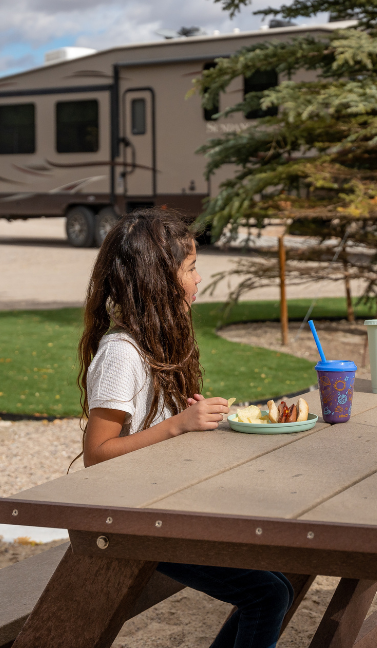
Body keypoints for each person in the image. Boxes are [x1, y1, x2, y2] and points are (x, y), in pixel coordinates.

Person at [79, 208, 292, 648]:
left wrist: (191, 422)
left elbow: (154, 432)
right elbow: (97, 454)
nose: (199, 279)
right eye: (191, 268)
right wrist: (177, 426)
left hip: (162, 508)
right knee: (267, 592)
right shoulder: (122, 354)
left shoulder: (157, 341)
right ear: (157, 279)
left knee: (281, 572)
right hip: (132, 522)